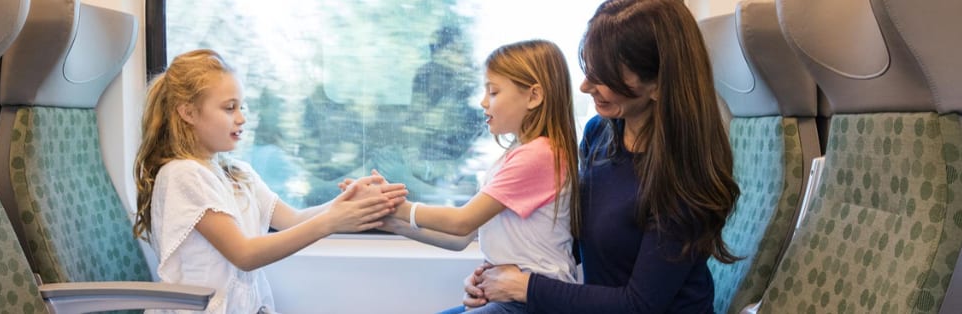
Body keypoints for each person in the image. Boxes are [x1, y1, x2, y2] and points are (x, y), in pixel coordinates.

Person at [460, 0, 741, 313]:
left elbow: (638, 305)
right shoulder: (600, 135)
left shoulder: (685, 179)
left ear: (658, 85)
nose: (584, 86)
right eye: (588, 70)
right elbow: (576, 244)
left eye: (604, 76)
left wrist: (525, 286)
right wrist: (497, 275)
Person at [131, 49, 406, 313]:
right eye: (229, 108)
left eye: (242, 107)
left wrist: (347, 201)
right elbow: (244, 254)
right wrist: (332, 221)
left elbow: (294, 220)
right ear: (188, 113)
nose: (242, 118)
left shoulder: (236, 173)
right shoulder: (183, 175)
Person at [359, 39, 582, 313]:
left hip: (532, 304)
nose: (483, 101)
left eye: (494, 92)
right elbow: (461, 239)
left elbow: (461, 222)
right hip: (509, 299)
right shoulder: (516, 155)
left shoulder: (540, 155)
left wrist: (395, 205)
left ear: (534, 96)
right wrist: (393, 224)